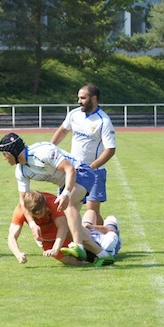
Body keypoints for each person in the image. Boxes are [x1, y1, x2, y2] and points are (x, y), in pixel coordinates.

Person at [0, 132, 114, 265]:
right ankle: (103, 255)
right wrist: (32, 224)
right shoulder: (21, 171)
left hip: (81, 172)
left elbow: (70, 169)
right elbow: (23, 201)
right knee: (71, 227)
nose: (4, 158)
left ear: (13, 152)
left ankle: (79, 246)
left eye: (5, 154)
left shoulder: (42, 152)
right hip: (65, 184)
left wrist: (66, 194)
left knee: (67, 204)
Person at [51, 84, 116, 225]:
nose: (79, 101)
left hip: (95, 171)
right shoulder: (74, 114)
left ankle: (100, 236)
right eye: (78, 98)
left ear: (94, 98)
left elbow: (110, 149)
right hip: (72, 170)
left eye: (83, 98)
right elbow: (63, 130)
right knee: (68, 206)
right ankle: (101, 234)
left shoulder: (103, 121)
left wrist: (91, 167)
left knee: (91, 209)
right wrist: (50, 147)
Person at [9, 190, 83, 266]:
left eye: (40, 212)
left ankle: (93, 240)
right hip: (46, 240)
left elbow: (63, 227)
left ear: (45, 206)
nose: (39, 217)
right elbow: (12, 237)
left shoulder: (52, 202)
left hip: (66, 234)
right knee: (72, 262)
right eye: (35, 215)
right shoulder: (20, 211)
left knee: (85, 252)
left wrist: (55, 249)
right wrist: (18, 254)